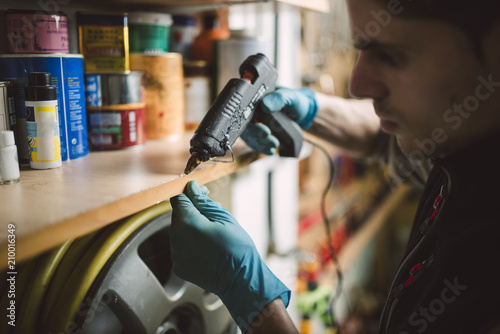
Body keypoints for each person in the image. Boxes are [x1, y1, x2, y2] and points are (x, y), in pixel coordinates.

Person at [170, 0, 500, 332]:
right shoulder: (466, 148)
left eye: (391, 56)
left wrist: (250, 298)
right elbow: (390, 140)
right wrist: (311, 110)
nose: (357, 85)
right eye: (362, 49)